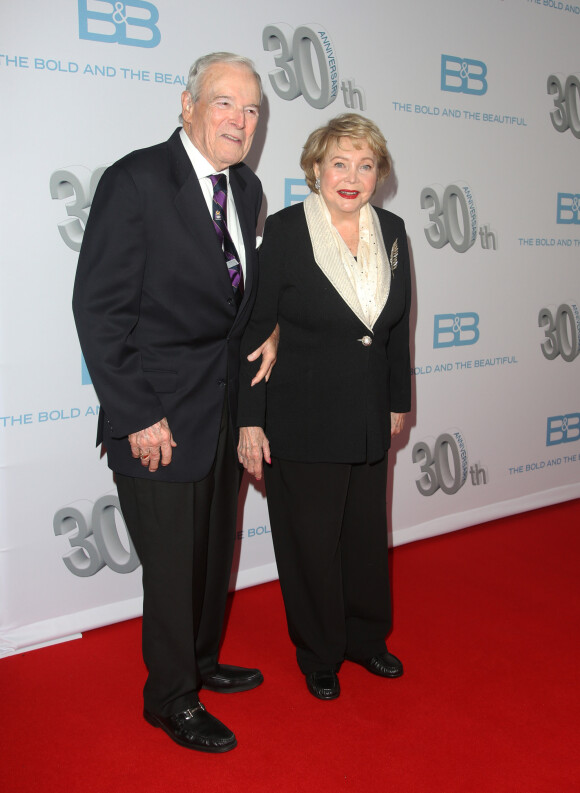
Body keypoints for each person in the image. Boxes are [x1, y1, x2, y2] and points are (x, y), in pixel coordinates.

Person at [73, 52, 278, 752]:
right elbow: (99, 311)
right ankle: (169, 698)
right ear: (185, 104)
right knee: (170, 566)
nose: (240, 120)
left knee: (213, 550)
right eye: (225, 103)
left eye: (251, 110)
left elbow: (237, 301)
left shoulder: (246, 190)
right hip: (155, 416)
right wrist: (135, 414)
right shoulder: (135, 181)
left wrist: (269, 330)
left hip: (220, 410)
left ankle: (198, 661)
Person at [237, 113, 411, 700]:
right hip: (302, 416)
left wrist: (396, 400)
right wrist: (250, 419)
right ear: (315, 168)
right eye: (340, 163)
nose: (352, 176)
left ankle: (366, 639)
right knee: (308, 540)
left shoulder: (392, 230)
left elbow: (393, 329)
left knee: (366, 535)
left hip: (366, 415)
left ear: (378, 175)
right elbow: (257, 332)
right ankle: (318, 651)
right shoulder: (285, 232)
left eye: (366, 165)